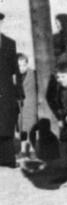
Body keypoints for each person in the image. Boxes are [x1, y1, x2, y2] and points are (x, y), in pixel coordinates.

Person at [0, 13, 21, 168]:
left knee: (7, 123)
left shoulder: (9, 43)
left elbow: (16, 70)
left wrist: (19, 93)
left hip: (6, 90)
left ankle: (7, 159)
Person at [16, 53, 38, 157]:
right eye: (18, 65)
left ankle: (33, 149)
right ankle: (23, 150)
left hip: (30, 105)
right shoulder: (13, 76)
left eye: (23, 65)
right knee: (22, 129)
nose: (21, 68)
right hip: (19, 106)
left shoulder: (33, 74)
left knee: (31, 128)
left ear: (27, 64)